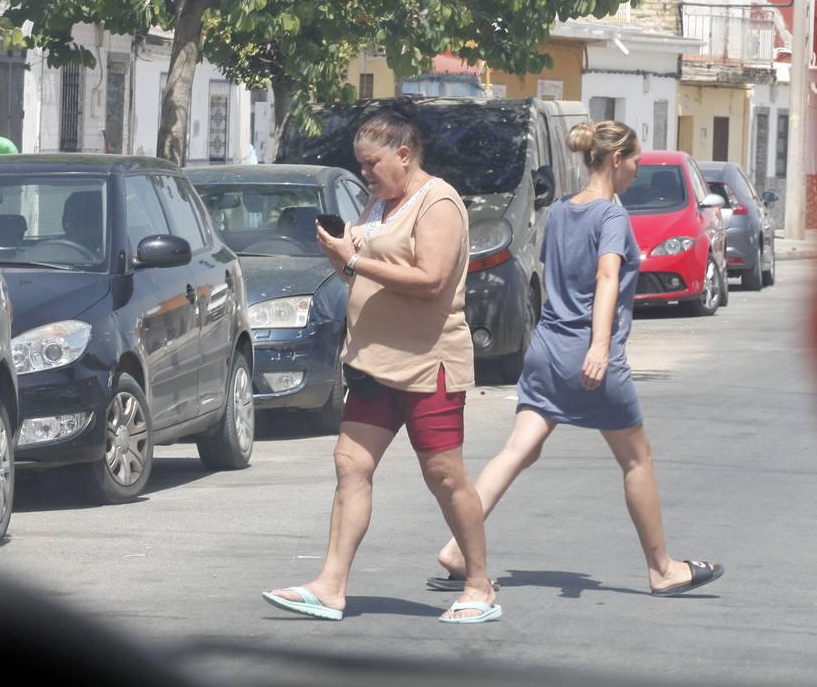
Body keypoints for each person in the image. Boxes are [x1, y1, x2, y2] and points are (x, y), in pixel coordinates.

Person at [432, 120, 724, 598]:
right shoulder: (611, 217)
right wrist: (600, 345)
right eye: (634, 160)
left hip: (546, 349)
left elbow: (555, 274)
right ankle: (662, 568)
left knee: (517, 451)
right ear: (615, 160)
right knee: (637, 459)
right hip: (587, 355)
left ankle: (457, 549)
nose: (635, 169)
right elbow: (607, 278)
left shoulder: (562, 211)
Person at [262, 102, 501, 623]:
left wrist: (353, 259)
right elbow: (370, 274)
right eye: (361, 164)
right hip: (372, 361)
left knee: (443, 473)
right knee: (350, 464)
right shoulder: (379, 206)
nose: (365, 173)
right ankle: (330, 585)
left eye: (372, 163)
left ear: (403, 152)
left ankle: (479, 584)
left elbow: (432, 280)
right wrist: (343, 259)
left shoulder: (438, 202)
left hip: (426, 361)